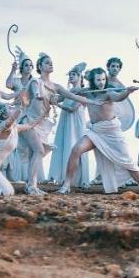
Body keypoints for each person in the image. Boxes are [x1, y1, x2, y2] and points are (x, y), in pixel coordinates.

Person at [57, 68, 139, 194]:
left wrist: (127, 92)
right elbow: (69, 94)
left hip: (111, 131)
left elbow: (118, 98)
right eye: (98, 80)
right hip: (95, 131)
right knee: (76, 150)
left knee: (127, 162)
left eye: (103, 79)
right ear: (92, 81)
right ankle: (66, 185)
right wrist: (56, 97)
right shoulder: (87, 92)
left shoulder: (108, 93)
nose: (101, 82)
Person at [14, 53, 58, 194]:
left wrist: (88, 99)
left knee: (36, 151)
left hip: (39, 123)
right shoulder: (35, 83)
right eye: (47, 62)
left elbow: (67, 96)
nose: (51, 64)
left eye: (52, 62)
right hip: (27, 121)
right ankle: (31, 186)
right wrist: (27, 100)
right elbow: (26, 99)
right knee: (38, 150)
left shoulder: (50, 85)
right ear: (40, 67)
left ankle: (31, 185)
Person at [49, 63, 91, 191]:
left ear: (80, 77)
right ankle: (64, 177)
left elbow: (73, 109)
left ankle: (79, 179)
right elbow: (57, 98)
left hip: (76, 123)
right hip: (66, 122)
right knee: (65, 145)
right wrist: (51, 97)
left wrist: (59, 105)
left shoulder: (83, 92)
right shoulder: (68, 92)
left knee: (75, 145)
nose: (71, 77)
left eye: (74, 74)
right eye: (70, 75)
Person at [4, 54, 35, 181]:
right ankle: (16, 175)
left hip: (30, 114)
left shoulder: (34, 82)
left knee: (29, 145)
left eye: (30, 65)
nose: (28, 67)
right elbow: (8, 84)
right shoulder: (16, 80)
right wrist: (12, 70)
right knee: (16, 144)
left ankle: (30, 176)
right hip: (17, 113)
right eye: (26, 65)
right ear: (21, 67)